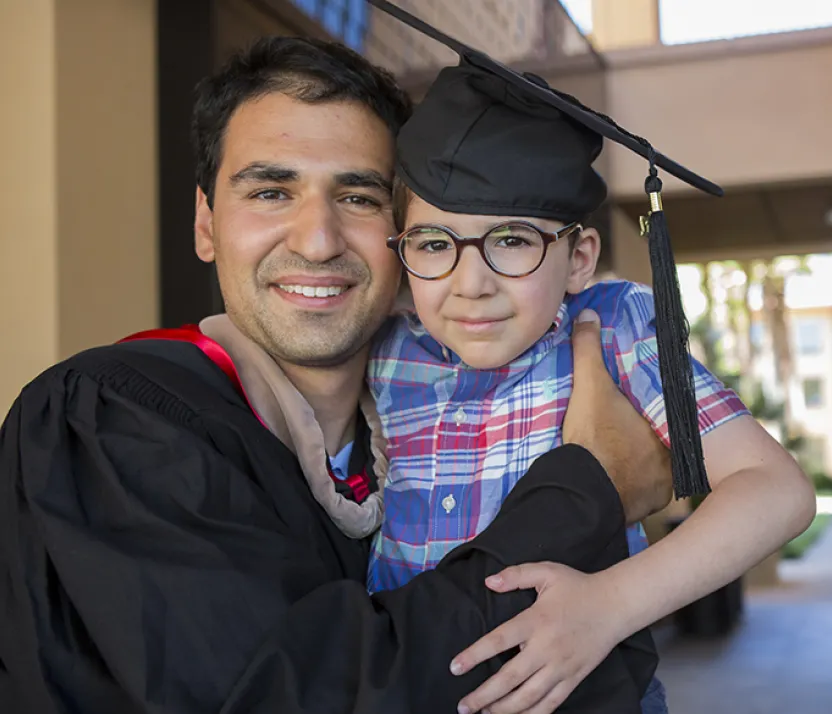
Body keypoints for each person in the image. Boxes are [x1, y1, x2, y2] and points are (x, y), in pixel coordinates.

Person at [0, 36, 675, 714]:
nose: (317, 240)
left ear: (410, 233)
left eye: (358, 197)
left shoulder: (447, 438)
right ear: (206, 223)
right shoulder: (114, 420)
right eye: (270, 191)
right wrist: (590, 493)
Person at [363, 4, 820, 713]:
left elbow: (778, 491)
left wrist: (610, 605)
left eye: (512, 240)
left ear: (578, 258)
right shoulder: (388, 354)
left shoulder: (610, 335)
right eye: (432, 244)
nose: (470, 281)